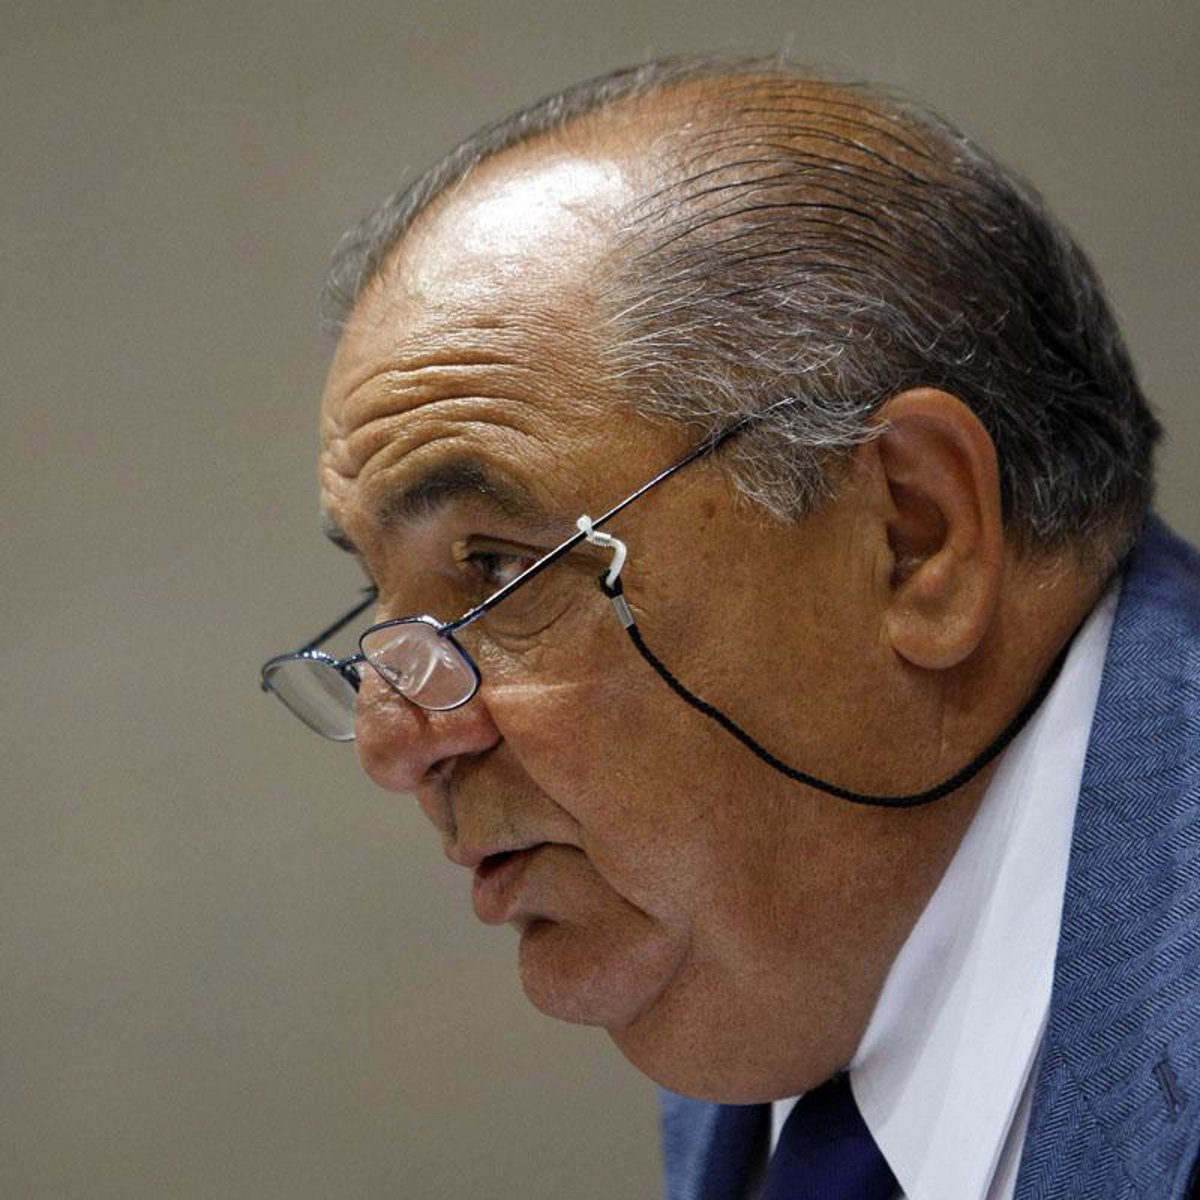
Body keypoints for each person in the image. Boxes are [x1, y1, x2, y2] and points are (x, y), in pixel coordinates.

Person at [262, 57, 1200, 1199]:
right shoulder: (789, 952)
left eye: (499, 568)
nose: (392, 743)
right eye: (386, 606)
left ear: (914, 536)